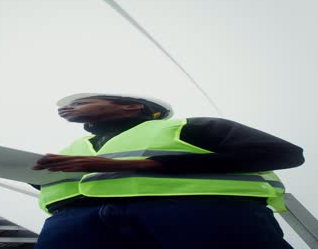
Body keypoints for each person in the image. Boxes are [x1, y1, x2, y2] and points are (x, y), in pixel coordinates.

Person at [32, 93, 304, 249]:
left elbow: (285, 154)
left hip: (199, 214)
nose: (68, 108)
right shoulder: (73, 146)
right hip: (74, 225)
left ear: (131, 105)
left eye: (80, 102)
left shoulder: (189, 127)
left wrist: (136, 165)